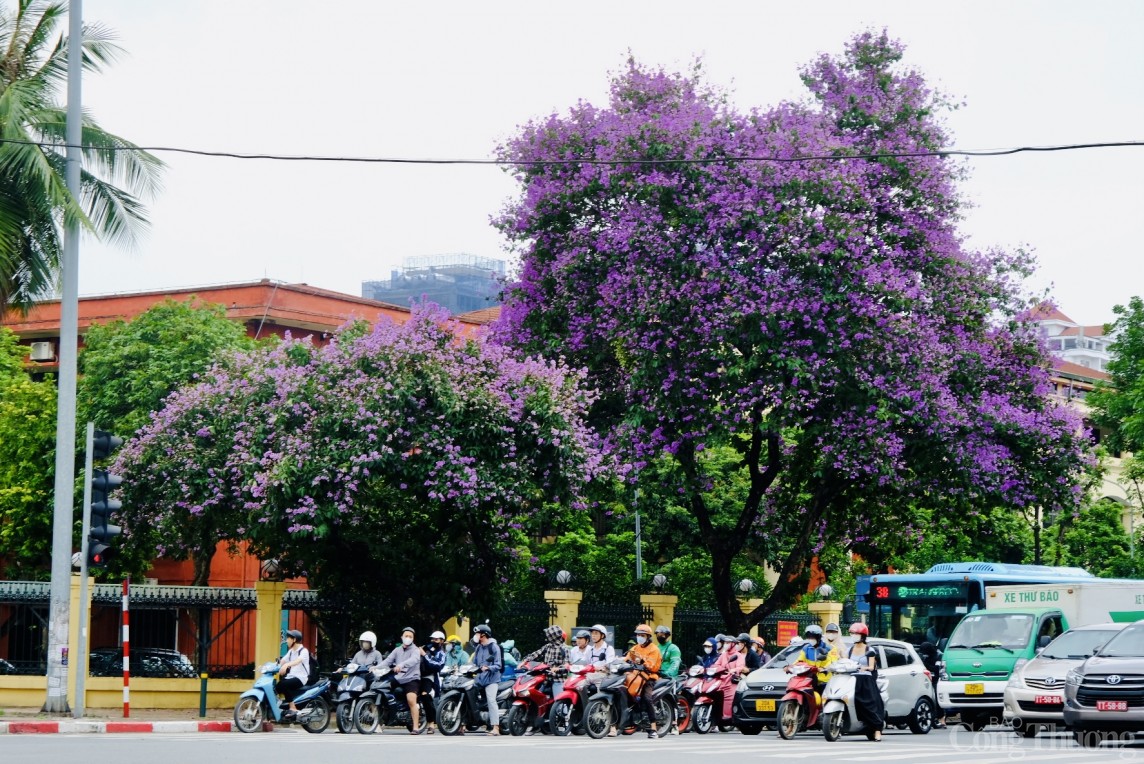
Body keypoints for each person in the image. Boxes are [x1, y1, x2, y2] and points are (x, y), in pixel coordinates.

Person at [381, 626, 423, 734]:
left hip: (411, 678)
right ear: (402, 637)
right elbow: (387, 661)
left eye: (410, 636)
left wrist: (401, 664)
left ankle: (415, 727)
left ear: (413, 638)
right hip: (398, 678)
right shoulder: (397, 650)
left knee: (411, 700)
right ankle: (382, 720)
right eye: (406, 636)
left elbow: (414, 660)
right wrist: (375, 668)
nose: (408, 638)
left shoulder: (415, 650)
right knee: (382, 689)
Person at [847, 622, 885, 741]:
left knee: (870, 706)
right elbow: (846, 663)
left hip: (865, 680)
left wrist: (864, 668)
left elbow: (871, 667)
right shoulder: (849, 650)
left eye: (856, 634)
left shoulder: (869, 649)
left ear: (862, 636)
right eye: (852, 633)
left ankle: (877, 730)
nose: (853, 636)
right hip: (852, 680)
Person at [626, 624, 664, 738]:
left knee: (647, 698)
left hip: (649, 677)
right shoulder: (636, 647)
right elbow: (627, 657)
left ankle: (653, 728)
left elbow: (651, 666)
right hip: (635, 676)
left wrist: (642, 662)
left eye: (642, 635)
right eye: (638, 635)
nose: (639, 637)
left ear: (648, 637)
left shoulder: (654, 649)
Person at [471, 623, 503, 736]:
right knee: (469, 695)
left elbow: (498, 665)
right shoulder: (479, 647)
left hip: (491, 680)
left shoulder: (494, 647)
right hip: (480, 679)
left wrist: (488, 667)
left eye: (477, 633)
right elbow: (474, 662)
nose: (475, 635)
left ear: (483, 635)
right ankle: (464, 724)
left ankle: (496, 727)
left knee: (491, 700)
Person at [276, 629, 310, 719]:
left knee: (284, 685)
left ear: (294, 640)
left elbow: (297, 661)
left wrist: (286, 665)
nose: (286, 640)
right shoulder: (291, 651)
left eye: (288, 638)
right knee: (277, 687)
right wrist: (272, 666)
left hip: (301, 678)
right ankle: (280, 707)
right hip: (291, 677)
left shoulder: (303, 651)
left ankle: (293, 708)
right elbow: (283, 661)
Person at [419, 630, 447, 733]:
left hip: (429, 676)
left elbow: (437, 666)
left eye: (436, 639)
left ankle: (431, 722)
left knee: (425, 695)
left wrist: (425, 655)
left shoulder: (441, 654)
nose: (433, 641)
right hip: (416, 675)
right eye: (432, 639)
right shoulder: (426, 647)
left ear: (442, 641)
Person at [917, 641, 947, 728]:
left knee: (937, 699)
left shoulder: (939, 656)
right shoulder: (925, 657)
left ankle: (942, 718)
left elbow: (938, 669)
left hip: (937, 680)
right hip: (927, 680)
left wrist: (927, 666)